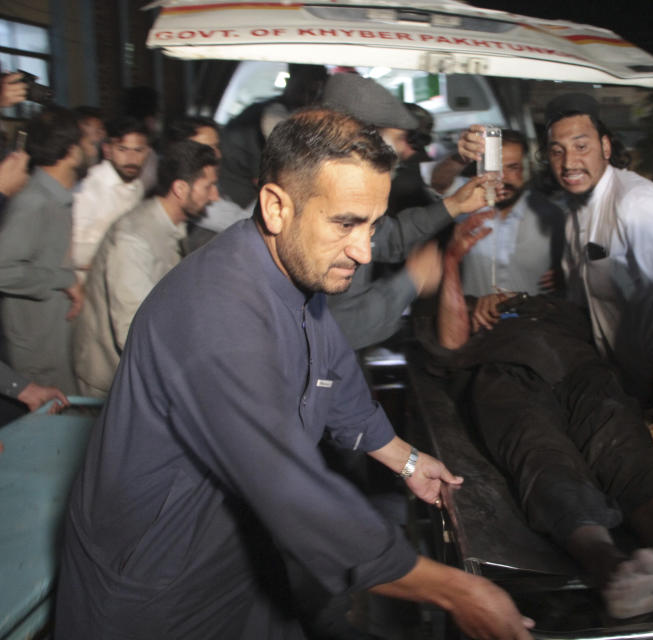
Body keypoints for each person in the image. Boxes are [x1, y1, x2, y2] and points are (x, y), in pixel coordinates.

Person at [55, 108, 534, 640]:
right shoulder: (217, 314)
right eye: (347, 223)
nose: (364, 249)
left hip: (236, 561)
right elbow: (288, 486)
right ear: (277, 206)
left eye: (373, 224)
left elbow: (330, 371)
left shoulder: (289, 269)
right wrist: (455, 589)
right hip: (158, 590)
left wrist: (406, 458)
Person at [423, 212, 653, 619]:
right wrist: (453, 261)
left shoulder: (559, 307)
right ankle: (607, 563)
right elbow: (451, 342)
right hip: (504, 369)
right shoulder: (472, 311)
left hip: (579, 368)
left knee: (622, 439)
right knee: (538, 447)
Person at [466, 93, 653, 403]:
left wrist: (652, 384)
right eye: (557, 151)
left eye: (581, 146)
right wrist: (523, 301)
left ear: (605, 146)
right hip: (613, 380)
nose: (569, 162)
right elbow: (583, 299)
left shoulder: (638, 205)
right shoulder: (573, 206)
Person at [319, 73, 490, 350]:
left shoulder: (345, 193)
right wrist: (411, 280)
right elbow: (341, 324)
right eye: (396, 139)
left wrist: (454, 205)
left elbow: (390, 237)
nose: (401, 150)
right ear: (360, 139)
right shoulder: (327, 209)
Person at [73, 141, 220, 397]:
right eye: (208, 186)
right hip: (113, 383)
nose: (215, 196)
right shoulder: (133, 240)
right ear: (180, 189)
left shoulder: (169, 224)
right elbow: (132, 330)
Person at [0, 106, 97, 394]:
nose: (96, 149)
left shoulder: (57, 199)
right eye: (89, 143)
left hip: (58, 343)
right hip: (40, 358)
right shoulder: (35, 203)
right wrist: (63, 280)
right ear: (71, 151)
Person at [436, 127, 565, 304]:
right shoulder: (467, 200)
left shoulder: (552, 215)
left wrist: (568, 275)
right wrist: (461, 157)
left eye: (513, 168)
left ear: (527, 170)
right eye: (494, 168)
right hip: (472, 323)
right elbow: (439, 181)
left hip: (534, 326)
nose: (502, 178)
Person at [219, 64, 327, 208]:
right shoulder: (270, 117)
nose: (311, 95)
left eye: (317, 89)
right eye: (309, 86)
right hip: (235, 199)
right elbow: (271, 178)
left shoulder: (277, 114)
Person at [72, 116, 151, 275]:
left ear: (147, 151)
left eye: (138, 150)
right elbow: (69, 251)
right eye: (122, 149)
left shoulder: (137, 186)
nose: (131, 158)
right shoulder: (88, 188)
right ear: (107, 150)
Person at [163, 115, 248, 252]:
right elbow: (243, 224)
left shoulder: (209, 179)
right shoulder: (192, 196)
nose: (217, 154)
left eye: (216, 147)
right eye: (207, 148)